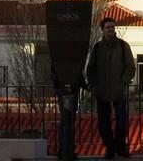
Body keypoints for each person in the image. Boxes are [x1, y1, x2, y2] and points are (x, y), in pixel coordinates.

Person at [86, 17, 136, 159]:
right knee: (103, 125)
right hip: (101, 91)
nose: (111, 29)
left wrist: (124, 81)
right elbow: (91, 68)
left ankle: (121, 148)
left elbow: (131, 66)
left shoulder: (123, 46)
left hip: (119, 91)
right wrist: (93, 84)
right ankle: (110, 147)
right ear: (102, 29)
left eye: (112, 27)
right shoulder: (97, 48)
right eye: (108, 27)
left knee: (121, 123)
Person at [51, 63, 86, 161]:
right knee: (68, 121)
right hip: (70, 89)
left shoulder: (58, 57)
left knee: (65, 120)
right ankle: (67, 151)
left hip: (62, 87)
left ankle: (63, 150)